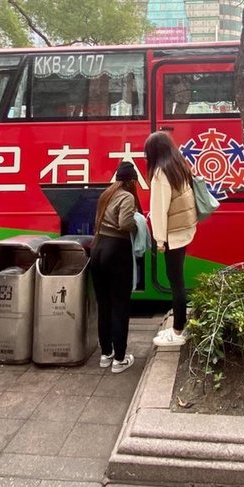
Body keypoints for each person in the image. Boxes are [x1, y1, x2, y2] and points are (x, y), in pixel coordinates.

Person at [144, 131, 197, 348]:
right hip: (184, 230)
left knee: (175, 281)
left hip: (172, 235)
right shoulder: (179, 167)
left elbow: (159, 210)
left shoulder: (160, 173)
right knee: (178, 279)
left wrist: (159, 240)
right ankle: (180, 325)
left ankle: (178, 330)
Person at [91, 161, 142, 373]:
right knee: (120, 306)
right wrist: (137, 222)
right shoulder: (127, 196)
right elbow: (124, 224)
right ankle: (120, 359)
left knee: (104, 305)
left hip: (98, 249)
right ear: (131, 180)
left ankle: (106, 354)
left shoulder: (106, 194)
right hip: (116, 251)